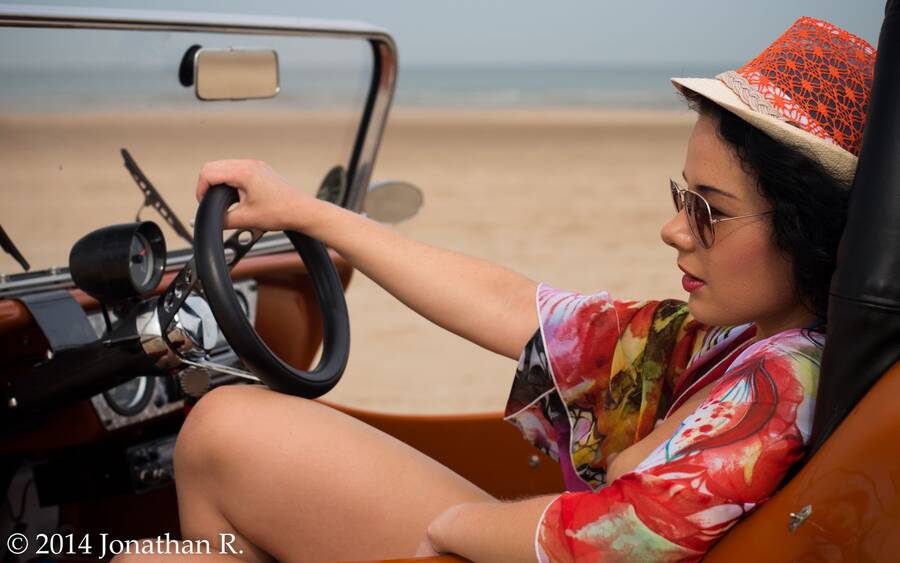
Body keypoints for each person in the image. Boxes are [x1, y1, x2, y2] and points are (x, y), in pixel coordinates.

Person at [113, 16, 875, 563]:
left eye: (709, 210)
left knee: (218, 436)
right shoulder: (735, 337)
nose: (676, 231)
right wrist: (310, 213)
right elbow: (521, 309)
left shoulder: (784, 377)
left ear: (808, 230)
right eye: (683, 197)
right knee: (183, 509)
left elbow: (617, 535)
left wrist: (456, 527)